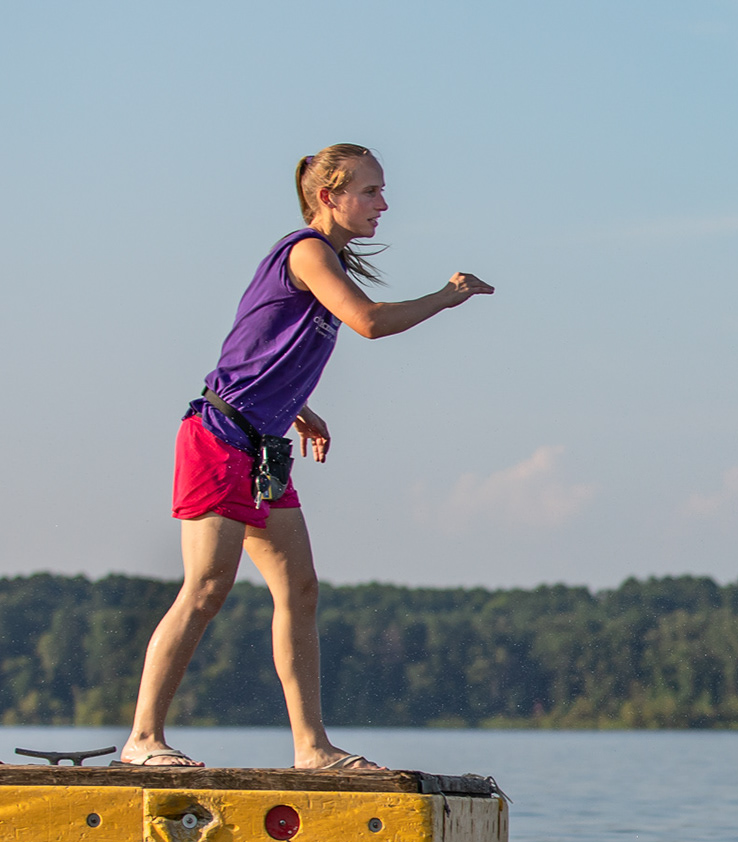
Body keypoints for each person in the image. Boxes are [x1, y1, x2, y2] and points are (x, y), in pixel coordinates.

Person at [120, 144, 493, 769]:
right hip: (219, 437)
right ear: (329, 197)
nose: (383, 204)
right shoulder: (307, 252)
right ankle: (142, 740)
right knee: (207, 587)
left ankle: (312, 748)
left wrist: (298, 408)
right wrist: (445, 296)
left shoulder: (328, 259)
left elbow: (263, 346)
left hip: (262, 446)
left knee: (300, 589)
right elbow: (368, 321)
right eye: (370, 191)